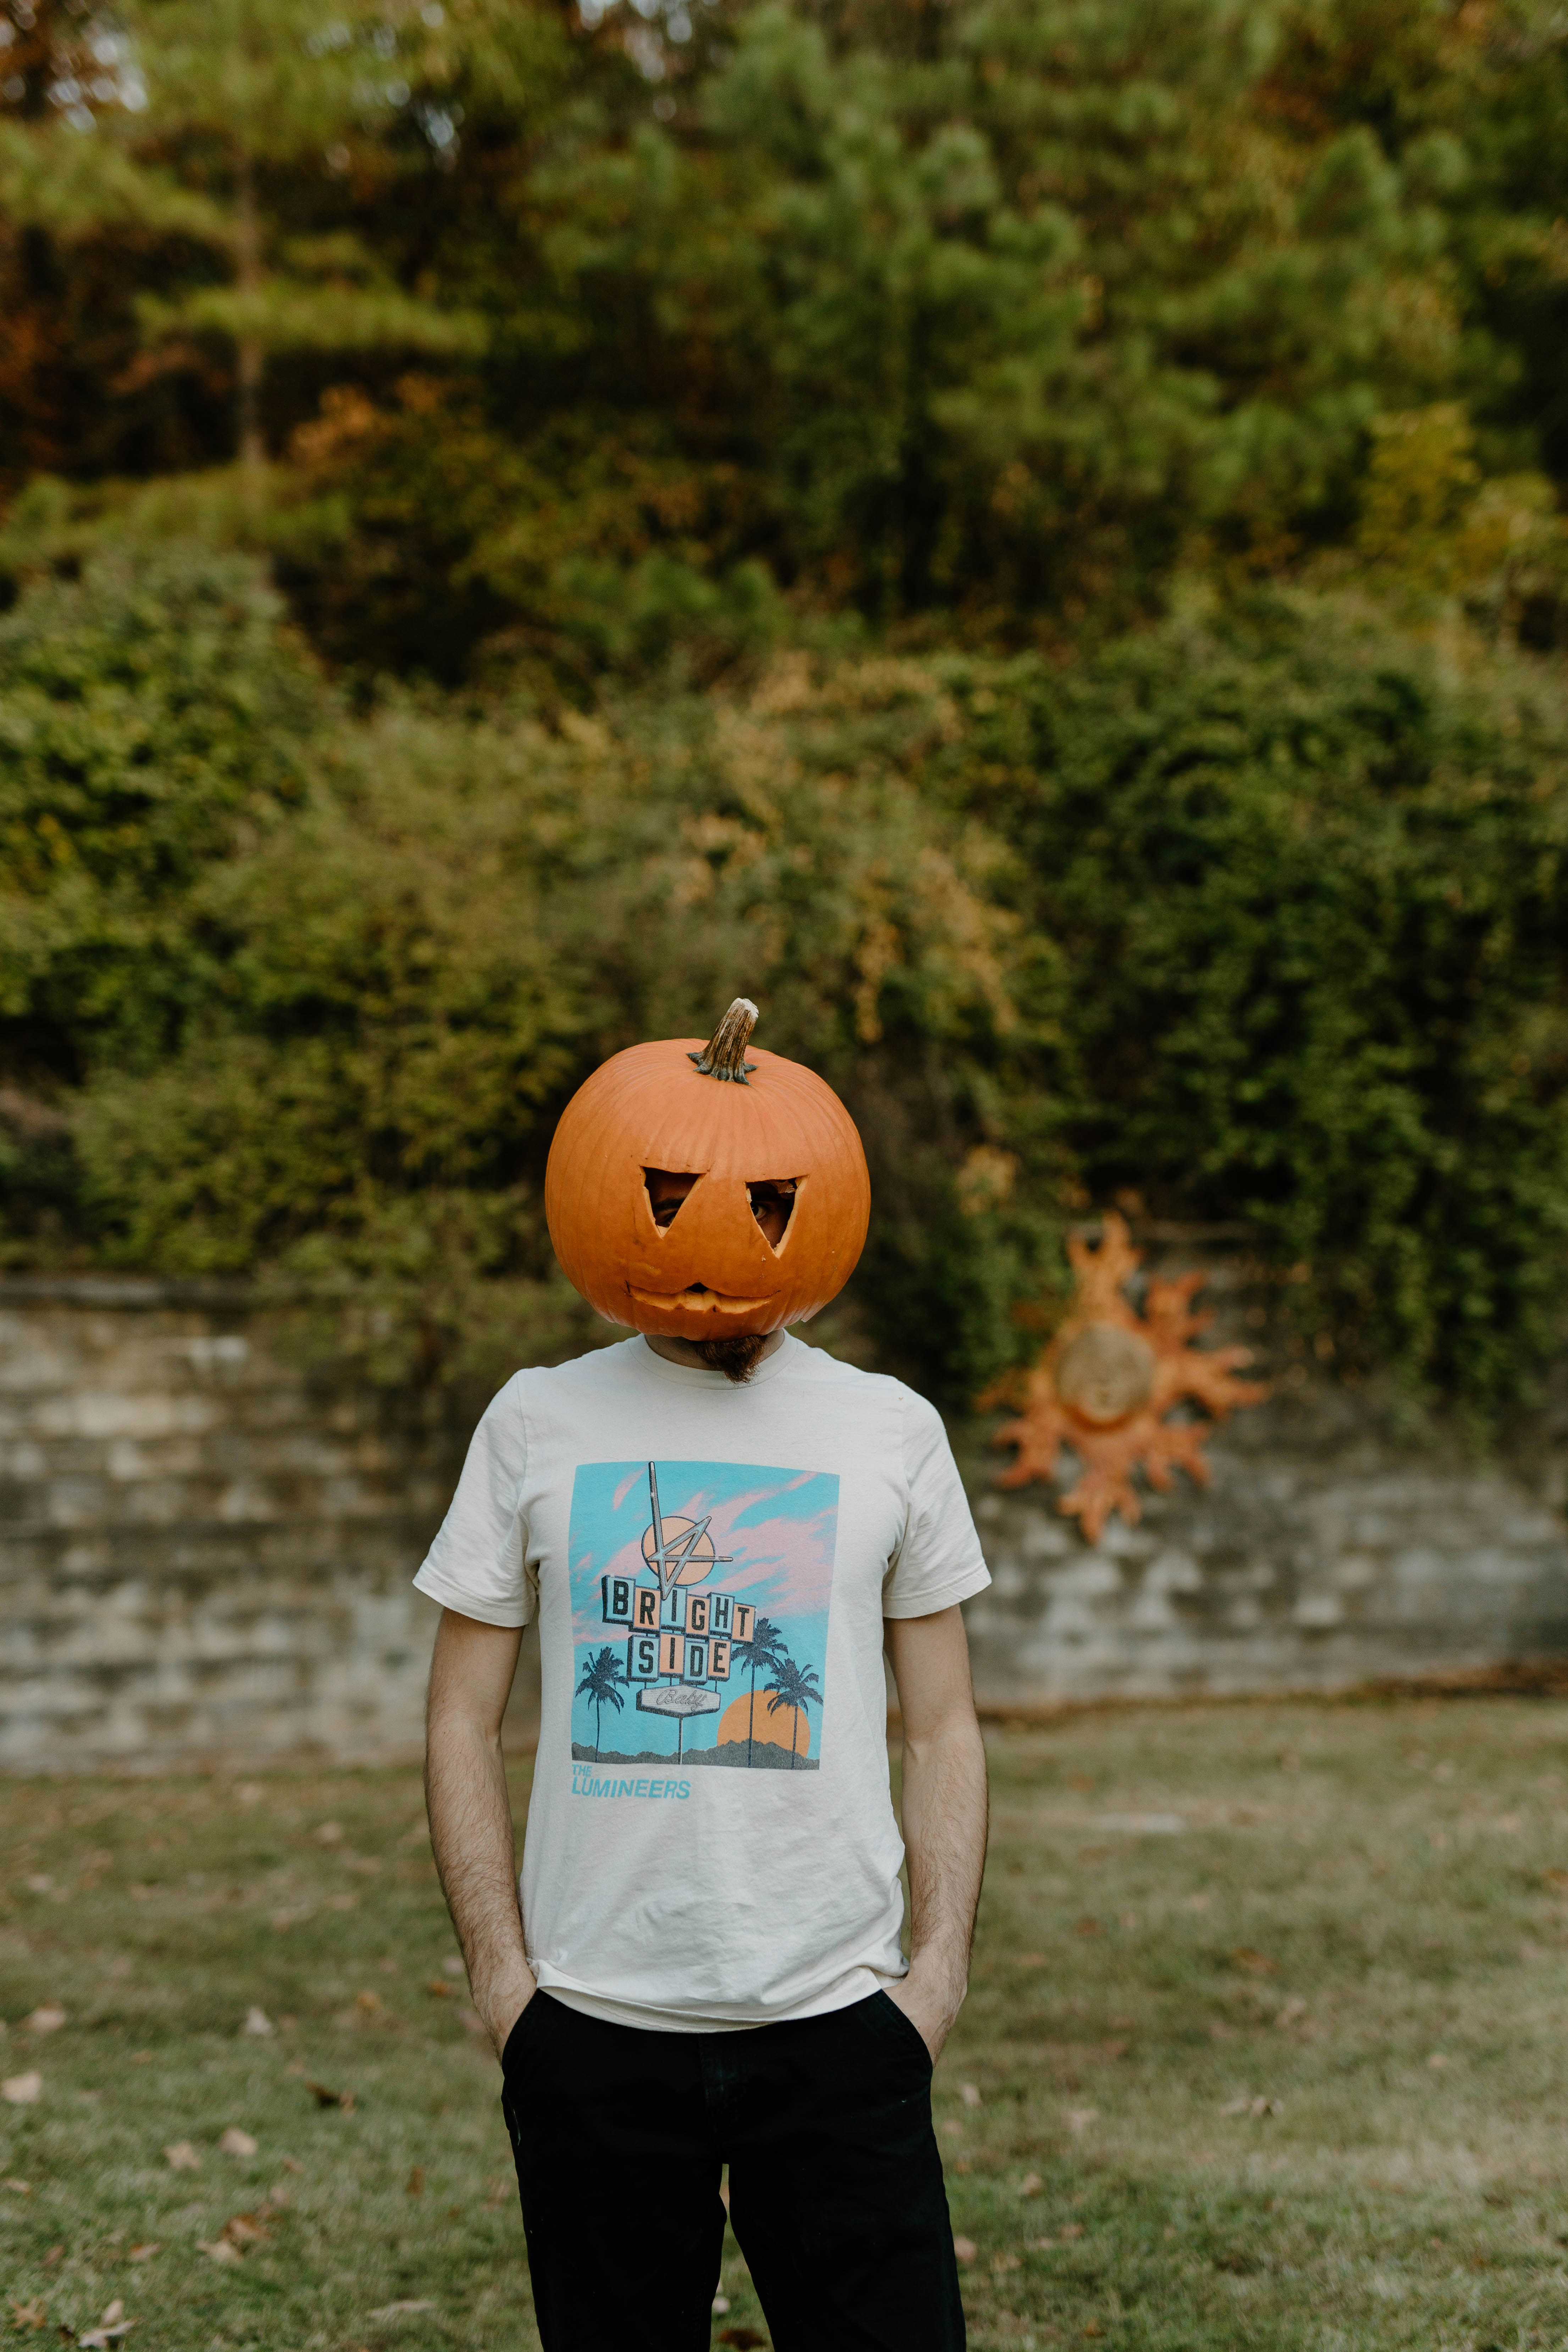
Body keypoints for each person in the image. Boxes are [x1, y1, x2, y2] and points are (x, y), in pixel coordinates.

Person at [416, 1015, 991, 2352]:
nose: (716, 1240)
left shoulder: (892, 1430)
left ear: (821, 1211)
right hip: (593, 2031)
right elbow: (458, 1715)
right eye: (668, 1197)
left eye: (769, 1204)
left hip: (843, 2026)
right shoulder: (535, 1421)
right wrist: (509, 1991)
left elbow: (946, 1724)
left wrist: (937, 1981)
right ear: (610, 1200)